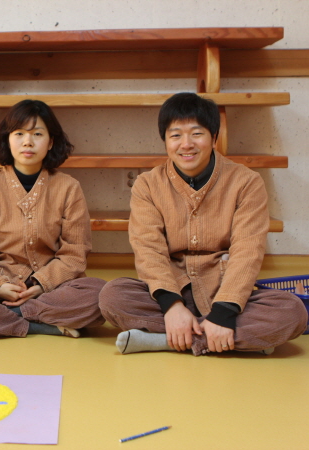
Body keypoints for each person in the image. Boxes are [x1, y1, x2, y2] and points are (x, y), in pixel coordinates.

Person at [99, 92, 307, 356]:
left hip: (224, 289)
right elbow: (148, 250)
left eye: (197, 134)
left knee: (292, 312)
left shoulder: (247, 182)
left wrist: (224, 311)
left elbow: (248, 250)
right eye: (176, 135)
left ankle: (165, 340)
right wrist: (172, 306)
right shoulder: (147, 185)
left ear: (214, 138)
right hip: (174, 287)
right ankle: (226, 338)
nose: (186, 144)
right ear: (165, 140)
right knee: (112, 296)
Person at [0, 99, 106, 339]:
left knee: (101, 296)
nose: (28, 142)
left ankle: (9, 317)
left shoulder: (69, 188)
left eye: (37, 134)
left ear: (50, 142)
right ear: (8, 139)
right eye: (19, 133)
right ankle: (40, 324)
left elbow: (75, 254)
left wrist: (41, 284)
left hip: (52, 288)